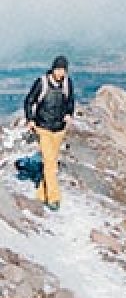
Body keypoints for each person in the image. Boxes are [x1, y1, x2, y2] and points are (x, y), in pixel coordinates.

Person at [23, 55, 74, 211]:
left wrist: (69, 114)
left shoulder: (67, 83)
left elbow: (70, 101)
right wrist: (30, 119)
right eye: (58, 69)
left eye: (63, 70)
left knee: (50, 162)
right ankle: (53, 198)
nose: (60, 73)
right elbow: (29, 100)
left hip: (59, 129)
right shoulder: (42, 83)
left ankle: (41, 194)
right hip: (43, 127)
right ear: (53, 69)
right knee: (50, 163)